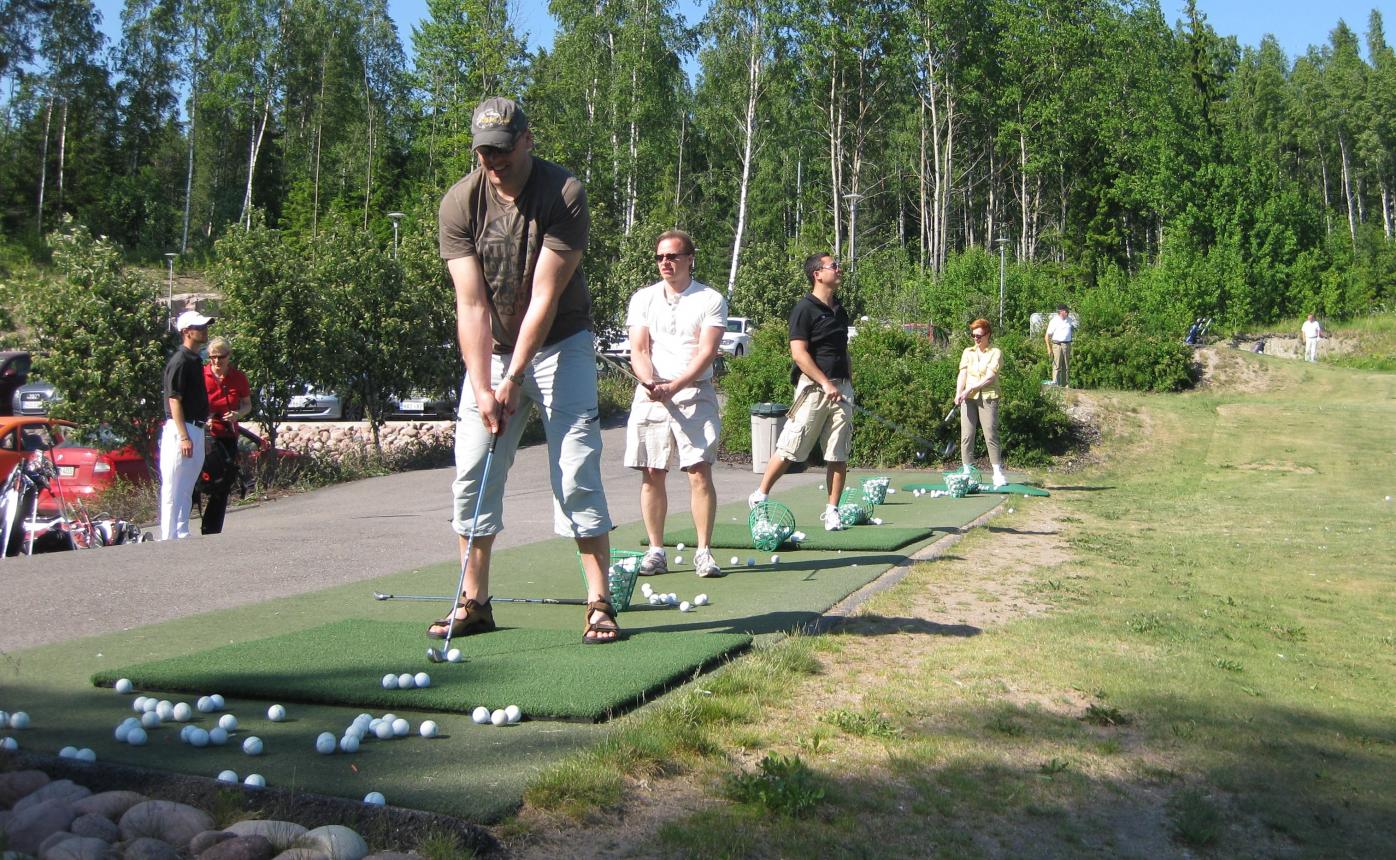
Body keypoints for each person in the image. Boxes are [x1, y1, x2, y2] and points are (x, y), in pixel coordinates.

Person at [432, 96, 620, 645]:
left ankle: (600, 603)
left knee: (575, 469)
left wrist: (514, 378)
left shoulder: (564, 193)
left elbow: (544, 294)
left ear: (527, 141)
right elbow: (470, 306)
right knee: (472, 471)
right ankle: (475, 603)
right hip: (490, 352)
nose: (494, 162)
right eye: (484, 152)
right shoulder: (459, 204)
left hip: (562, 343)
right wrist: (485, 384)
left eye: (503, 150)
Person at [625, 229, 728, 579]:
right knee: (652, 472)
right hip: (652, 393)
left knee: (698, 471)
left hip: (694, 393)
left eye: (672, 256)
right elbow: (639, 349)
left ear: (689, 259)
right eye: (660, 257)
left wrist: (675, 385)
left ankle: (704, 552)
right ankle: (656, 550)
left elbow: (706, 352)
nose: (665, 262)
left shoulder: (710, 299)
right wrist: (649, 381)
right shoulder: (643, 298)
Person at [747, 252, 853, 532]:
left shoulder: (840, 309)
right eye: (834, 266)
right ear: (817, 274)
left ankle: (832, 511)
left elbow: (843, 351)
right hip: (813, 389)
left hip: (841, 388)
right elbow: (799, 355)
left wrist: (845, 383)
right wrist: (825, 383)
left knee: (838, 452)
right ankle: (760, 495)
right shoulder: (804, 309)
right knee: (792, 448)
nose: (839, 269)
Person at [160, 310, 213, 540]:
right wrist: (183, 436)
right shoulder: (180, 360)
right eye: (198, 327)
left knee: (187, 486)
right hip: (181, 428)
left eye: (204, 326)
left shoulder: (195, 360)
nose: (204, 330)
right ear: (186, 332)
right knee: (173, 486)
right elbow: (174, 399)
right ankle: (168, 535)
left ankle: (181, 531)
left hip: (196, 427)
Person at [199, 337, 252, 535]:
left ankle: (212, 529)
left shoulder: (238, 377)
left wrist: (238, 414)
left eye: (221, 357)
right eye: (212, 357)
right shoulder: (201, 376)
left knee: (224, 481)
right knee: (200, 480)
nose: (216, 362)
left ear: (229, 357)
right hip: (205, 435)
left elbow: (247, 404)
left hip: (227, 435)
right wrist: (204, 418)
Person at [956, 318, 1007, 488]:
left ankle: (997, 473)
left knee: (990, 433)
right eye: (973, 336)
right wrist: (959, 393)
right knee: (967, 435)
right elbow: (962, 374)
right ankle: (967, 472)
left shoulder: (996, 352)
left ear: (988, 335)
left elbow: (990, 377)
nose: (976, 339)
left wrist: (970, 389)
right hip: (968, 398)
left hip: (988, 396)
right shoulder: (967, 352)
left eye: (979, 336)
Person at [1045, 303, 1076, 387]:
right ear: (1061, 311)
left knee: (1066, 366)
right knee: (1057, 366)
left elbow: (1074, 330)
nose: (1068, 312)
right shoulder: (1054, 321)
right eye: (1066, 310)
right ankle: (1056, 384)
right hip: (1057, 345)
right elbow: (1047, 336)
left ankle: (1065, 385)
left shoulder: (1070, 320)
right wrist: (1049, 348)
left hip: (1067, 344)